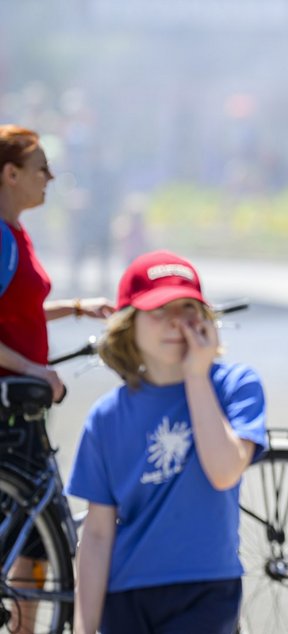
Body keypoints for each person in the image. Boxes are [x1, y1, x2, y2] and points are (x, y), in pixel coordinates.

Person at [66, 250, 268, 634]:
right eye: (159, 310)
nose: (177, 321)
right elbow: (97, 533)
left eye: (187, 307)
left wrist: (197, 375)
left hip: (207, 589)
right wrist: (83, 628)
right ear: (128, 325)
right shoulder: (106, 416)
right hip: (124, 593)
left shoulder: (235, 385)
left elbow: (224, 471)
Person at [0, 124, 113, 633]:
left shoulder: (15, 231)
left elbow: (17, 311)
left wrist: (76, 307)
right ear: (11, 173)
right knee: (29, 523)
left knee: (29, 532)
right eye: (41, 167)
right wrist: (33, 369)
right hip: (9, 403)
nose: (49, 176)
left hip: (24, 403)